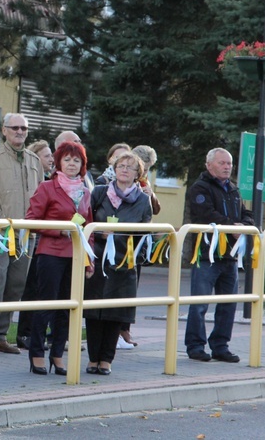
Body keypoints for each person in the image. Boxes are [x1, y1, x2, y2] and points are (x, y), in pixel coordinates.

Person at [25, 141, 93, 375]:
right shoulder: (46, 187)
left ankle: (57, 355)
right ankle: (36, 354)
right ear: (58, 162)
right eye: (67, 159)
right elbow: (31, 220)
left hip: (74, 256)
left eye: (77, 160)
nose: (72, 164)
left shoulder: (86, 191)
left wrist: (89, 259)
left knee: (67, 308)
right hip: (51, 253)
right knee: (47, 305)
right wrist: (59, 229)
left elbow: (89, 227)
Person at [0, 113, 43, 355]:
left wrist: (35, 221)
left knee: (16, 285)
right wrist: (0, 220)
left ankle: (1, 335)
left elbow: (40, 196)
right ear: (4, 130)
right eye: (14, 127)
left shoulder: (34, 160)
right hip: (0, 232)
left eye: (23, 128)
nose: (20, 131)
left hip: (27, 234)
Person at [85, 151, 152, 376]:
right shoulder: (100, 192)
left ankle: (106, 360)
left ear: (137, 174)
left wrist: (133, 256)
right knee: (94, 312)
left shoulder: (143, 200)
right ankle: (92, 359)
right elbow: (86, 220)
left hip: (124, 262)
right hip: (98, 259)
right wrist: (98, 236)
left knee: (115, 314)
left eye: (129, 167)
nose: (124, 169)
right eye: (120, 165)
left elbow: (146, 235)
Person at [185, 148, 253, 363]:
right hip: (207, 255)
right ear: (209, 164)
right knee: (200, 304)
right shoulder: (200, 188)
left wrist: (244, 225)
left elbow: (246, 214)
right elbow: (204, 215)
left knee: (228, 304)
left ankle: (220, 346)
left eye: (229, 163)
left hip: (230, 256)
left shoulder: (233, 190)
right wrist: (230, 226)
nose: (227, 167)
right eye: (222, 163)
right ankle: (195, 346)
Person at [119, 144, 161, 348]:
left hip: (138, 243)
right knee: (119, 288)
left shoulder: (144, 181)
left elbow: (155, 209)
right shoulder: (116, 177)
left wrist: (150, 193)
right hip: (119, 242)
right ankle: (119, 331)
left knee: (131, 287)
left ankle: (125, 329)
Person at [17, 140, 54, 349]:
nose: (51, 159)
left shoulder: (53, 180)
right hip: (35, 240)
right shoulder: (38, 183)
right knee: (31, 287)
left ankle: (43, 333)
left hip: (49, 241)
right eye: (46, 155)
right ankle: (25, 332)